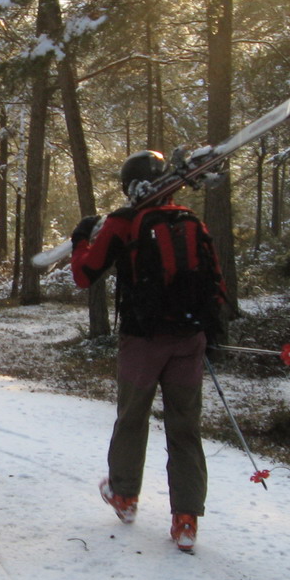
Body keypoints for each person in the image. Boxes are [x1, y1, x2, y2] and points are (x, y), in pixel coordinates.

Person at [69, 150, 226, 553]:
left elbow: (85, 274)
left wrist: (81, 238)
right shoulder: (191, 220)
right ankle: (186, 520)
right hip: (190, 339)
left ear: (130, 185)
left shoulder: (123, 222)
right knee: (185, 428)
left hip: (143, 341)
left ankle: (124, 496)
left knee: (132, 418)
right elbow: (216, 281)